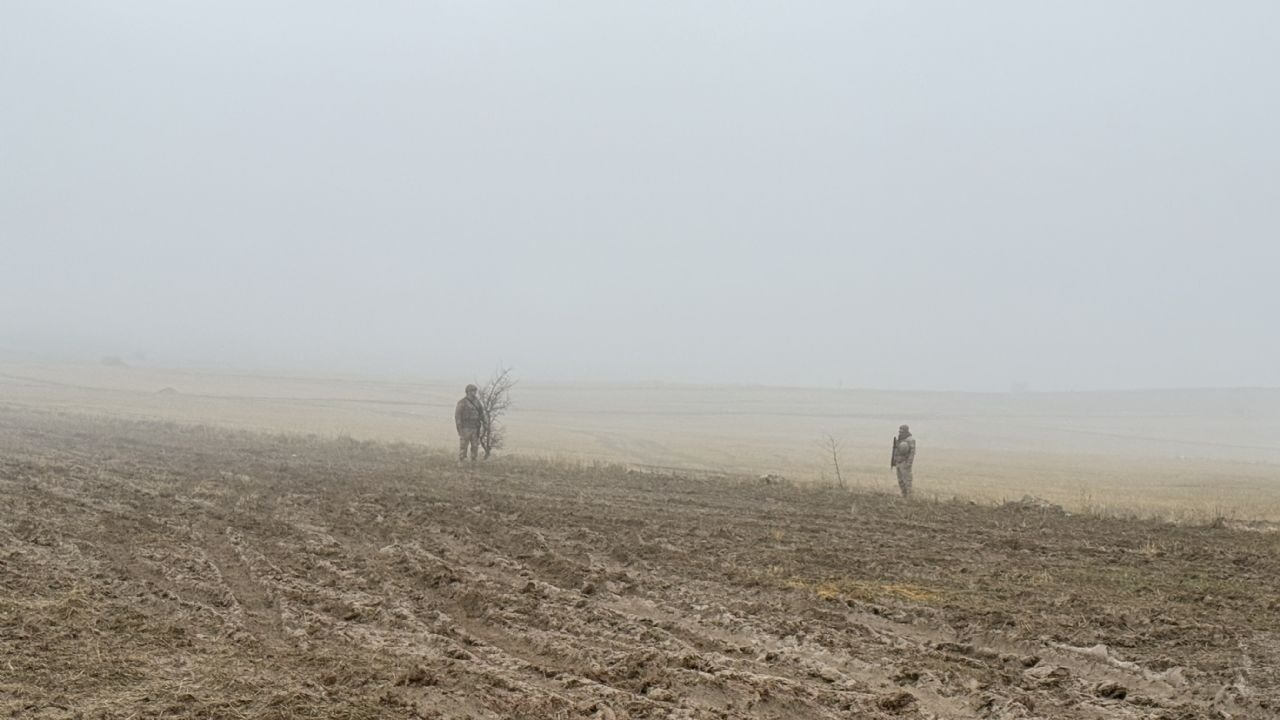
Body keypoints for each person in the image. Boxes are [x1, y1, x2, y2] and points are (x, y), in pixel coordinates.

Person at [455, 384, 487, 462]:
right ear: (467, 392)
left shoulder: (477, 402)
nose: (473, 393)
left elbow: (481, 413)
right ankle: (462, 461)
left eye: (474, 391)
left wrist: (485, 423)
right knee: (464, 446)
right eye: (471, 391)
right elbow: (458, 416)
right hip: (465, 427)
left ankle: (473, 462)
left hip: (475, 428)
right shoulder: (462, 402)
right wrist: (459, 429)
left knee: (475, 446)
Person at [892, 424, 916, 497]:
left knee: (907, 480)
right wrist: (894, 461)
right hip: (898, 462)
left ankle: (910, 496)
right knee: (900, 480)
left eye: (902, 431)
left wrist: (909, 463)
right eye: (900, 431)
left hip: (905, 462)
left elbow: (912, 452)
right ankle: (904, 494)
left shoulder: (910, 440)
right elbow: (896, 451)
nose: (900, 432)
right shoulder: (900, 439)